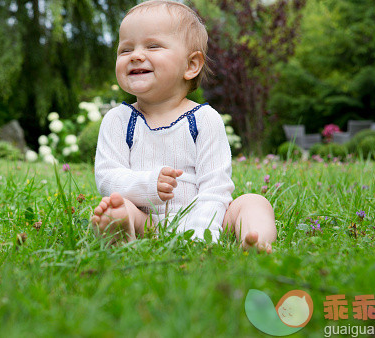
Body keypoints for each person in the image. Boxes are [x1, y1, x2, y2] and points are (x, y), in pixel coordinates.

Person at [91, 0, 276, 252]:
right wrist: (148, 185)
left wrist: (201, 232)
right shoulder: (118, 120)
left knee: (254, 203)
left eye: (153, 46)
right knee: (117, 206)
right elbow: (107, 177)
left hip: (207, 215)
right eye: (125, 50)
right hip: (149, 222)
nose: (135, 56)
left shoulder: (204, 119)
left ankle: (256, 239)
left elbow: (216, 187)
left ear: (191, 66)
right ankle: (123, 230)